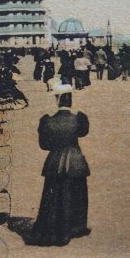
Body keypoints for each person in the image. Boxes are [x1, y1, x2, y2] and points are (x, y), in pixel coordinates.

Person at [26, 84, 92, 246]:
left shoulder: (47, 121)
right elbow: (83, 132)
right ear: (71, 100)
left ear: (57, 99)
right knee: (76, 196)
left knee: (54, 197)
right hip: (76, 162)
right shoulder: (79, 119)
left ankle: (56, 230)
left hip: (54, 163)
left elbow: (44, 146)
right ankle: (74, 227)